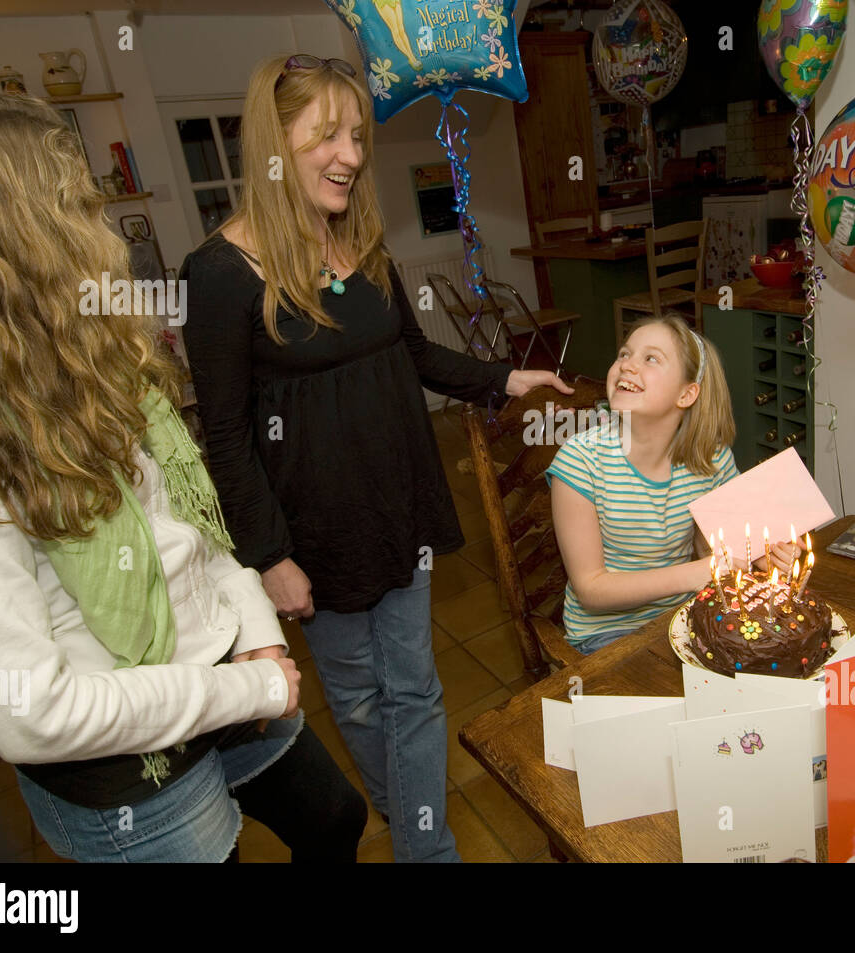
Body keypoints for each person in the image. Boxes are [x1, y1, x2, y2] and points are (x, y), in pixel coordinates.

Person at [0, 90, 365, 863]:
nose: (98, 227)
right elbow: (33, 711)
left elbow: (194, 528)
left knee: (333, 818)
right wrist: (249, 690)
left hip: (220, 668)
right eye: (75, 202)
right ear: (11, 238)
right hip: (125, 757)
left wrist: (258, 641)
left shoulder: (91, 360)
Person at [180, 54, 566, 863]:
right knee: (357, 700)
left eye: (357, 134)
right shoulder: (218, 274)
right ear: (273, 142)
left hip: (402, 506)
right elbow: (224, 436)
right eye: (328, 134)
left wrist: (504, 375)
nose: (352, 154)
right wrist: (270, 554)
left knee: (416, 691)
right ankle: (412, 818)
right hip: (316, 534)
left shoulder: (362, 243)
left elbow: (416, 354)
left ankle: (428, 848)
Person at [547, 315, 800, 654]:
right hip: (609, 635)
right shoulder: (580, 462)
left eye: (650, 358)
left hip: (688, 615)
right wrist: (704, 572)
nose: (627, 366)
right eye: (624, 354)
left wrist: (768, 558)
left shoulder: (711, 457)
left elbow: (725, 549)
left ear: (686, 393)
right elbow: (592, 591)